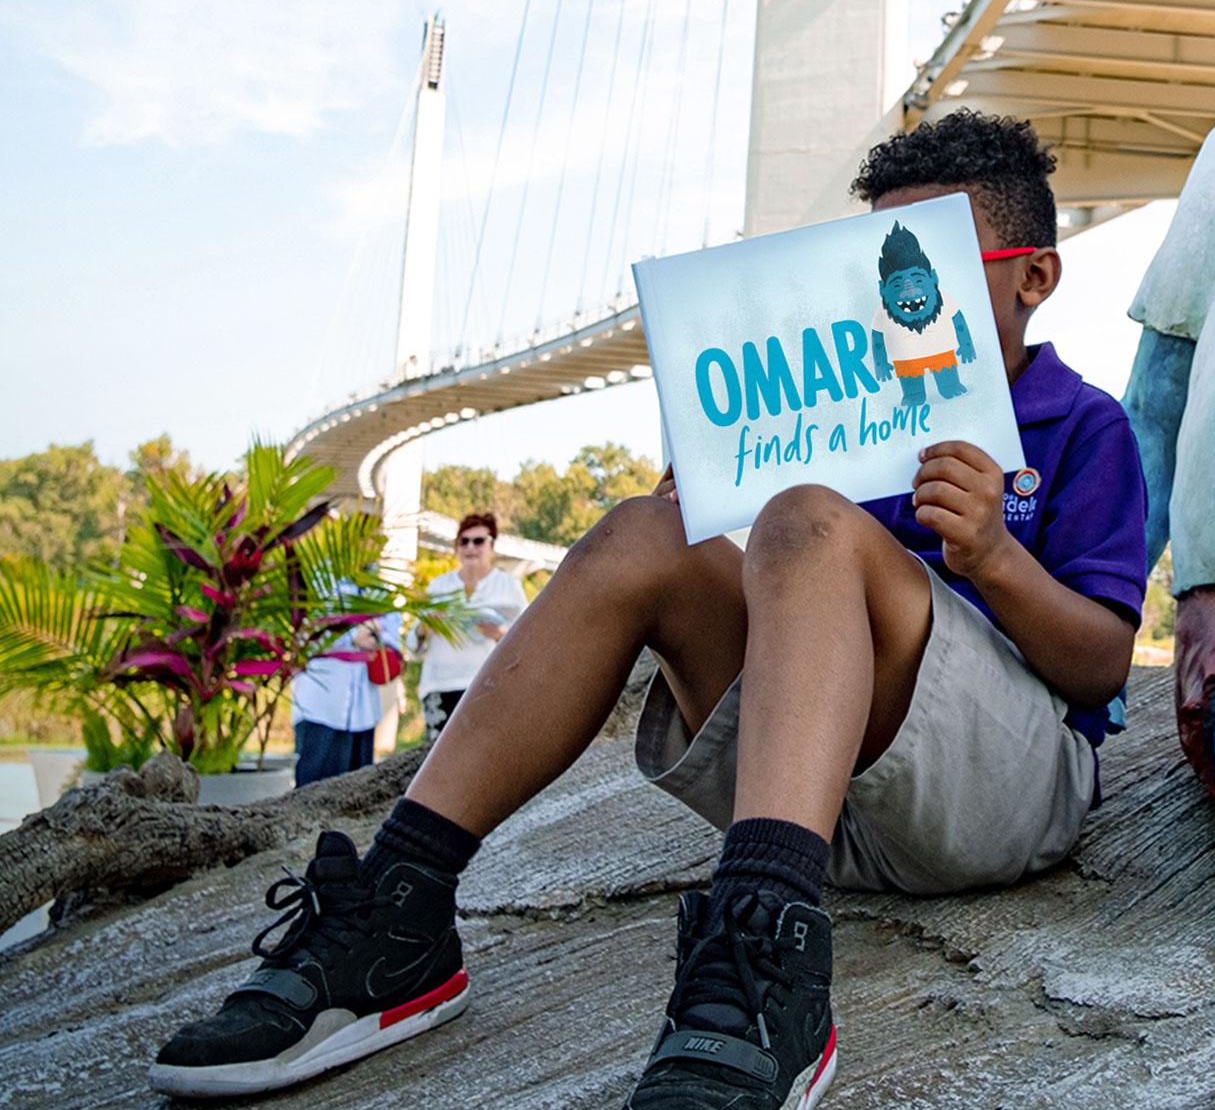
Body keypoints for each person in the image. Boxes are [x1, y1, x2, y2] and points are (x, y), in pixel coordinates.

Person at [149, 111, 1149, 1108]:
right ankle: (401, 905)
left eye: (932, 268)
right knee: (642, 534)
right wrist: (720, 508)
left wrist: (998, 558)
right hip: (832, 805)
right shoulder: (848, 409)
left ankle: (769, 963)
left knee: (810, 518)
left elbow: (1103, 663)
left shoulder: (1081, 424)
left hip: (1000, 799)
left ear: (1035, 276)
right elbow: (778, 560)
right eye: (877, 276)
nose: (901, 302)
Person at [414, 510, 527, 739]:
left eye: (478, 541)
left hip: (487, 686)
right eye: (463, 541)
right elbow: (414, 640)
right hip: (440, 684)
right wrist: (426, 627)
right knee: (435, 759)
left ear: (492, 545)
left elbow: (526, 639)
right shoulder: (439, 586)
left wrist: (499, 633)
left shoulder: (508, 586)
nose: (470, 548)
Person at [290, 610, 400, 787]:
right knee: (312, 794)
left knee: (358, 793)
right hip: (322, 707)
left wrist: (379, 639)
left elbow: (394, 632)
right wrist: (351, 637)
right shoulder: (319, 585)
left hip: (364, 710)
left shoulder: (379, 590)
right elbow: (302, 636)